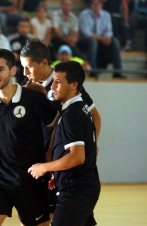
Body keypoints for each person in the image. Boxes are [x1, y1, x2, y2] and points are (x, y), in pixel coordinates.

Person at [20, 38, 102, 221]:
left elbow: (95, 117)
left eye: (28, 67)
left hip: (70, 174)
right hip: (55, 167)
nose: (25, 73)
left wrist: (91, 145)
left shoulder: (68, 90)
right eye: (22, 67)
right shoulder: (32, 88)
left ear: (43, 63)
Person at [0, 48, 58, 226]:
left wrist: (50, 158)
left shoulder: (34, 99)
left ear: (13, 71)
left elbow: (57, 125)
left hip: (31, 182)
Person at [77, 0, 125, 78]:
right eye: (94, 4)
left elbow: (109, 31)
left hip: (101, 41)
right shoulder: (84, 15)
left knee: (115, 41)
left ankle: (117, 72)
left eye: (98, 4)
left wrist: (107, 38)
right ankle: (93, 70)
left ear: (101, 5)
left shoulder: (106, 15)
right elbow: (86, 33)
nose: (96, 6)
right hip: (85, 41)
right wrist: (102, 39)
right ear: (91, 5)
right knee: (93, 42)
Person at [7, 18, 34, 84]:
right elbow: (6, 51)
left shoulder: (33, 39)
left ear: (29, 28)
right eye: (21, 26)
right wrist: (11, 54)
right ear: (18, 27)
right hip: (15, 62)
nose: (23, 29)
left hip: (28, 63)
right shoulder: (11, 38)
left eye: (26, 27)